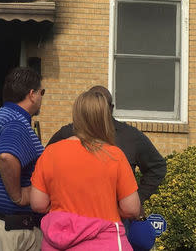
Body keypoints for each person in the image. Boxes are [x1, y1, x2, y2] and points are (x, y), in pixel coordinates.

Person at [31, 90, 141, 250]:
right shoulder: (115, 155)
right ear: (105, 118)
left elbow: (38, 204)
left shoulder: (51, 152)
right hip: (105, 243)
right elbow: (132, 209)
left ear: (76, 117)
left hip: (56, 243)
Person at [47, 86, 166, 214]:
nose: (97, 109)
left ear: (111, 108)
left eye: (101, 104)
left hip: (115, 216)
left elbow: (157, 167)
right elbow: (44, 168)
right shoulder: (66, 133)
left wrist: (138, 197)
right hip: (73, 215)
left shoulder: (130, 137)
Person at [0, 67, 45, 251]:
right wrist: (18, 196)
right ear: (31, 94)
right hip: (13, 231)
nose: (42, 98)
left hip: (2, 226)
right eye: (42, 92)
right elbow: (6, 157)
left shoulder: (2, 118)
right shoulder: (16, 122)